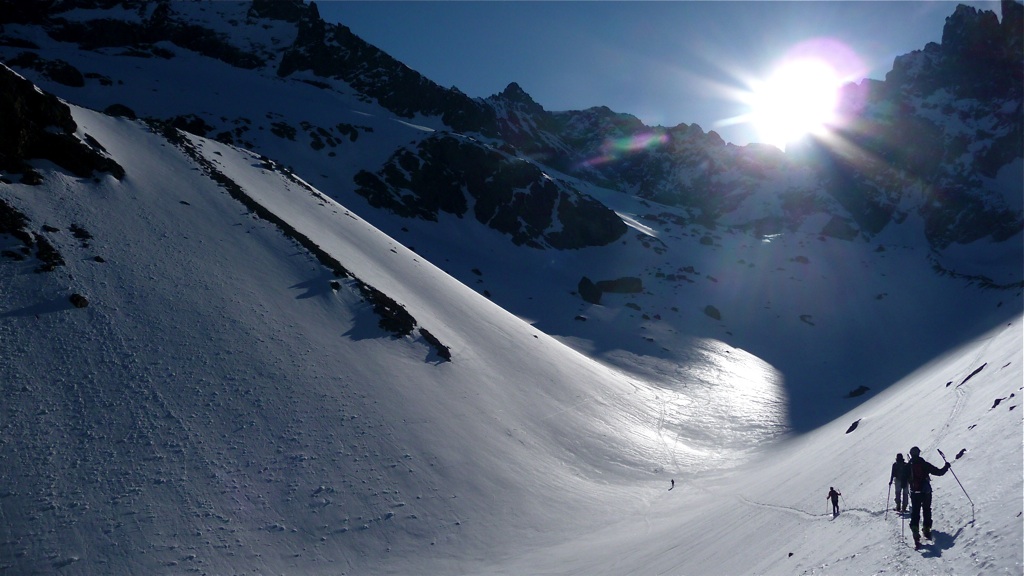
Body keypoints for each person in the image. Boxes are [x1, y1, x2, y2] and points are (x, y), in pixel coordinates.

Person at [907, 446, 950, 548]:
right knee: (926, 509)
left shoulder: (908, 466)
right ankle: (926, 529)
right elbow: (939, 472)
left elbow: (903, 479)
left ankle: (915, 530)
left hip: (914, 493)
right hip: (926, 492)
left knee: (915, 512)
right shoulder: (924, 464)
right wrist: (946, 466)